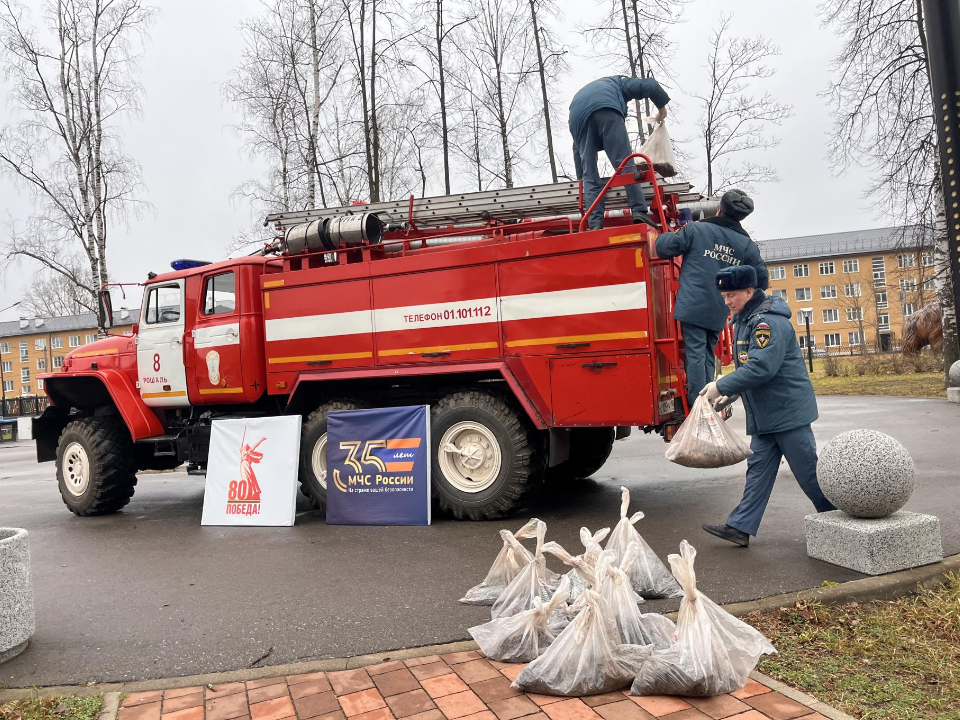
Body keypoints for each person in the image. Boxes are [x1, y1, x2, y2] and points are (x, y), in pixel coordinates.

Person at [699, 266, 835, 547]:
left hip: (786, 413)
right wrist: (733, 392)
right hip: (766, 415)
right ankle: (740, 526)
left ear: (749, 292)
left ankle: (838, 517)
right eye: (724, 295)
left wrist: (721, 386)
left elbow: (762, 367)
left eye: (732, 294)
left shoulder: (766, 323)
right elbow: (751, 366)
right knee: (758, 470)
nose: (727, 301)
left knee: (809, 472)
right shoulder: (745, 320)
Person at [654, 189, 769, 409]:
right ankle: (708, 399)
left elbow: (663, 247)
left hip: (693, 305)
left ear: (719, 210)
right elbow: (761, 279)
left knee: (696, 355)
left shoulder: (697, 229)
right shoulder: (746, 245)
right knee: (707, 355)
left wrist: (666, 231)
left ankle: (699, 406)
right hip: (720, 307)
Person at [569, 76, 670, 230]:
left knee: (589, 175)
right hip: (607, 109)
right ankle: (639, 211)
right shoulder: (619, 84)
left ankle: (595, 224)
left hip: (577, 119)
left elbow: (578, 155)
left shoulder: (588, 94)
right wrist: (662, 109)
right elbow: (650, 85)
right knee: (624, 163)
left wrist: (581, 181)